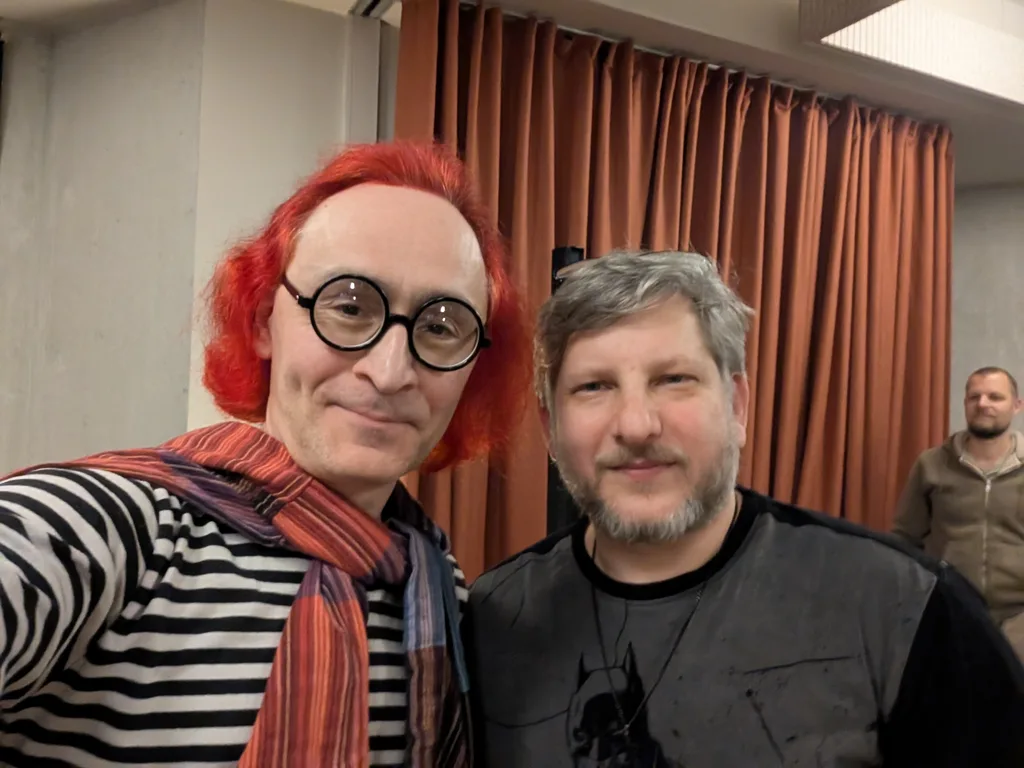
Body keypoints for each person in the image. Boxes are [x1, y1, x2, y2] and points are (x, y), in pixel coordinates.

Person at [0, 141, 531, 767]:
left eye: (441, 326)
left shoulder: (439, 596)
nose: (390, 372)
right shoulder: (108, 526)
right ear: (261, 320)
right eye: (349, 305)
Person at [465, 249, 1024, 767]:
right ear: (550, 428)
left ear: (737, 406)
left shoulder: (909, 610)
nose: (635, 425)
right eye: (593, 387)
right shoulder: (492, 620)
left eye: (673, 379)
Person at [893, 366, 1024, 658]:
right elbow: (904, 539)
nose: (983, 404)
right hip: (952, 610)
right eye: (974, 397)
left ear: (1017, 406)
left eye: (995, 397)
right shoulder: (931, 464)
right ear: (965, 403)